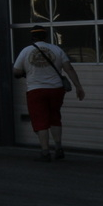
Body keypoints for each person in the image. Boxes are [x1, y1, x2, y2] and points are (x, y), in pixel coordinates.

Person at [13, 26, 85, 161]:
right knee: (55, 118)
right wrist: (78, 87)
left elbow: (16, 71)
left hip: (35, 90)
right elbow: (69, 68)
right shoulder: (57, 49)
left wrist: (25, 73)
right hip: (56, 90)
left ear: (32, 37)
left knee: (41, 121)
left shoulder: (26, 51)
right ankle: (58, 147)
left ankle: (45, 151)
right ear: (46, 36)